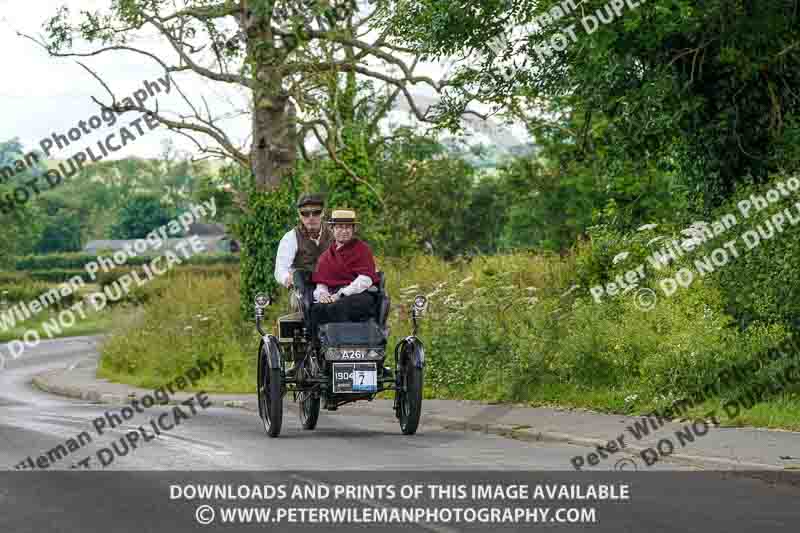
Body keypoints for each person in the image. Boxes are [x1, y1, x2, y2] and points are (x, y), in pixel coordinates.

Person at [310, 209, 380, 326]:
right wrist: (322, 294)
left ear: (353, 230)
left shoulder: (362, 250)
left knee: (340, 306)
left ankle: (347, 342)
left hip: (358, 295)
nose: (344, 231)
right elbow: (321, 284)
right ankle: (317, 344)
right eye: (340, 227)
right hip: (333, 296)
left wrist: (342, 294)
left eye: (348, 227)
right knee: (316, 309)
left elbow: (366, 279)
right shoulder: (326, 256)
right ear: (332, 229)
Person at [274, 193, 334, 290]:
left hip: (331, 287)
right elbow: (280, 269)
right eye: (305, 213)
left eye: (316, 212)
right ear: (299, 215)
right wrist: (287, 279)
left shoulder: (334, 234)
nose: (311, 217)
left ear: (323, 212)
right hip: (302, 289)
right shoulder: (291, 237)